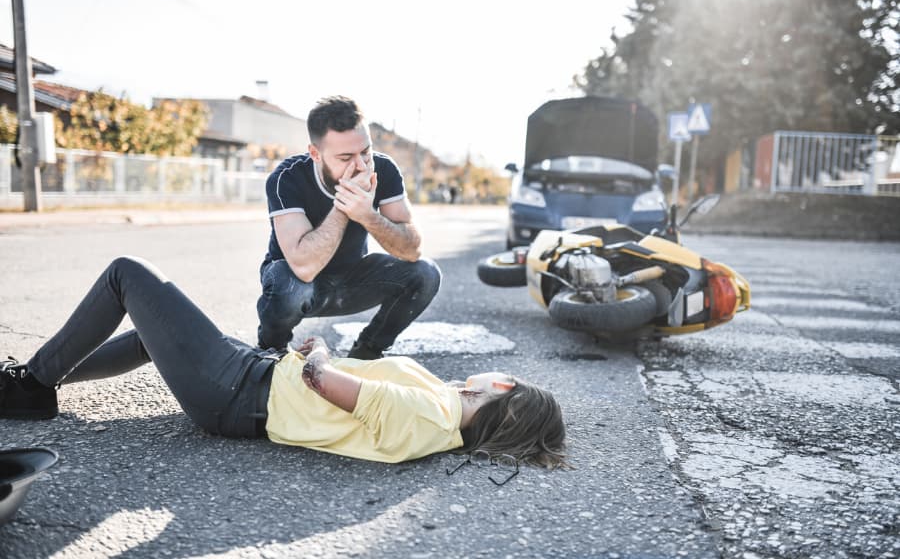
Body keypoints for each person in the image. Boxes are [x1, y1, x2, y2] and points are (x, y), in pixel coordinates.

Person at [0, 257, 567, 467]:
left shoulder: (433, 414)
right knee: (157, 335)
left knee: (127, 275)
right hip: (248, 379)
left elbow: (323, 381)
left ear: (506, 385)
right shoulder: (439, 420)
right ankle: (46, 379)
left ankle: (30, 385)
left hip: (238, 391)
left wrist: (317, 350)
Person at [257, 96, 441, 359]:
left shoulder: (384, 169)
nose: (360, 165)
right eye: (345, 157)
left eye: (365, 151)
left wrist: (368, 216)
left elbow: (412, 250)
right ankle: (270, 353)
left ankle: (366, 354)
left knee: (426, 273)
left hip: (353, 280)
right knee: (289, 282)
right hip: (298, 284)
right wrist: (344, 206)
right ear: (315, 153)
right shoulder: (287, 178)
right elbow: (303, 267)